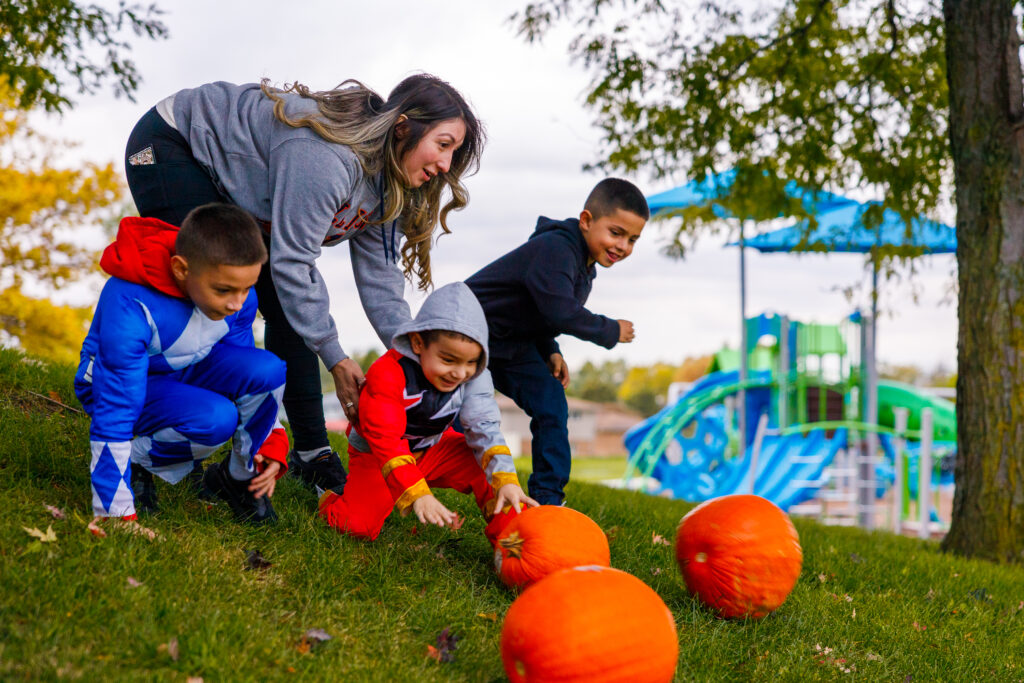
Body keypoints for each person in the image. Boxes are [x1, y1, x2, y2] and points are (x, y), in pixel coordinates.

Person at [122, 75, 484, 493]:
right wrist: (336, 357)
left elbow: (381, 282)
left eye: (453, 153)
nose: (445, 165)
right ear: (403, 127)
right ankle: (147, 448)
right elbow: (294, 262)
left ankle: (312, 454)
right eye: (443, 144)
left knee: (290, 303)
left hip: (232, 189)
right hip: (174, 144)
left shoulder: (388, 185)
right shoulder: (326, 158)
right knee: (209, 289)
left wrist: (417, 353)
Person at [75, 203, 290, 527]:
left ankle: (239, 478)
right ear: (180, 269)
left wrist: (271, 442)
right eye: (224, 290)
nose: (237, 303)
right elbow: (115, 409)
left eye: (246, 288)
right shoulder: (132, 303)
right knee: (216, 419)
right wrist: (114, 513)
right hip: (120, 385)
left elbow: (247, 373)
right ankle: (137, 461)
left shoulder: (237, 294)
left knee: (268, 369)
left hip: (187, 366)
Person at [465, 178, 649, 505]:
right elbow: (561, 310)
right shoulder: (557, 249)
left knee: (551, 401)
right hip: (469, 330)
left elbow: (543, 313)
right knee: (449, 407)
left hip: (511, 343)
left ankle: (548, 499)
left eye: (633, 239)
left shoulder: (585, 266)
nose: (623, 246)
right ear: (587, 221)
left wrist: (550, 350)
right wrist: (609, 330)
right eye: (616, 233)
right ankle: (403, 452)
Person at [318, 282, 537, 542]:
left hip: (436, 449)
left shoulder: (474, 376)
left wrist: (506, 478)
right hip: (379, 456)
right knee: (356, 527)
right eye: (448, 360)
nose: (460, 372)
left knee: (492, 473)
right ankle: (333, 499)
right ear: (418, 343)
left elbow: (484, 426)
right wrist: (418, 493)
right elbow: (387, 440)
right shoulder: (387, 373)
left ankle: (512, 540)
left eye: (470, 362)